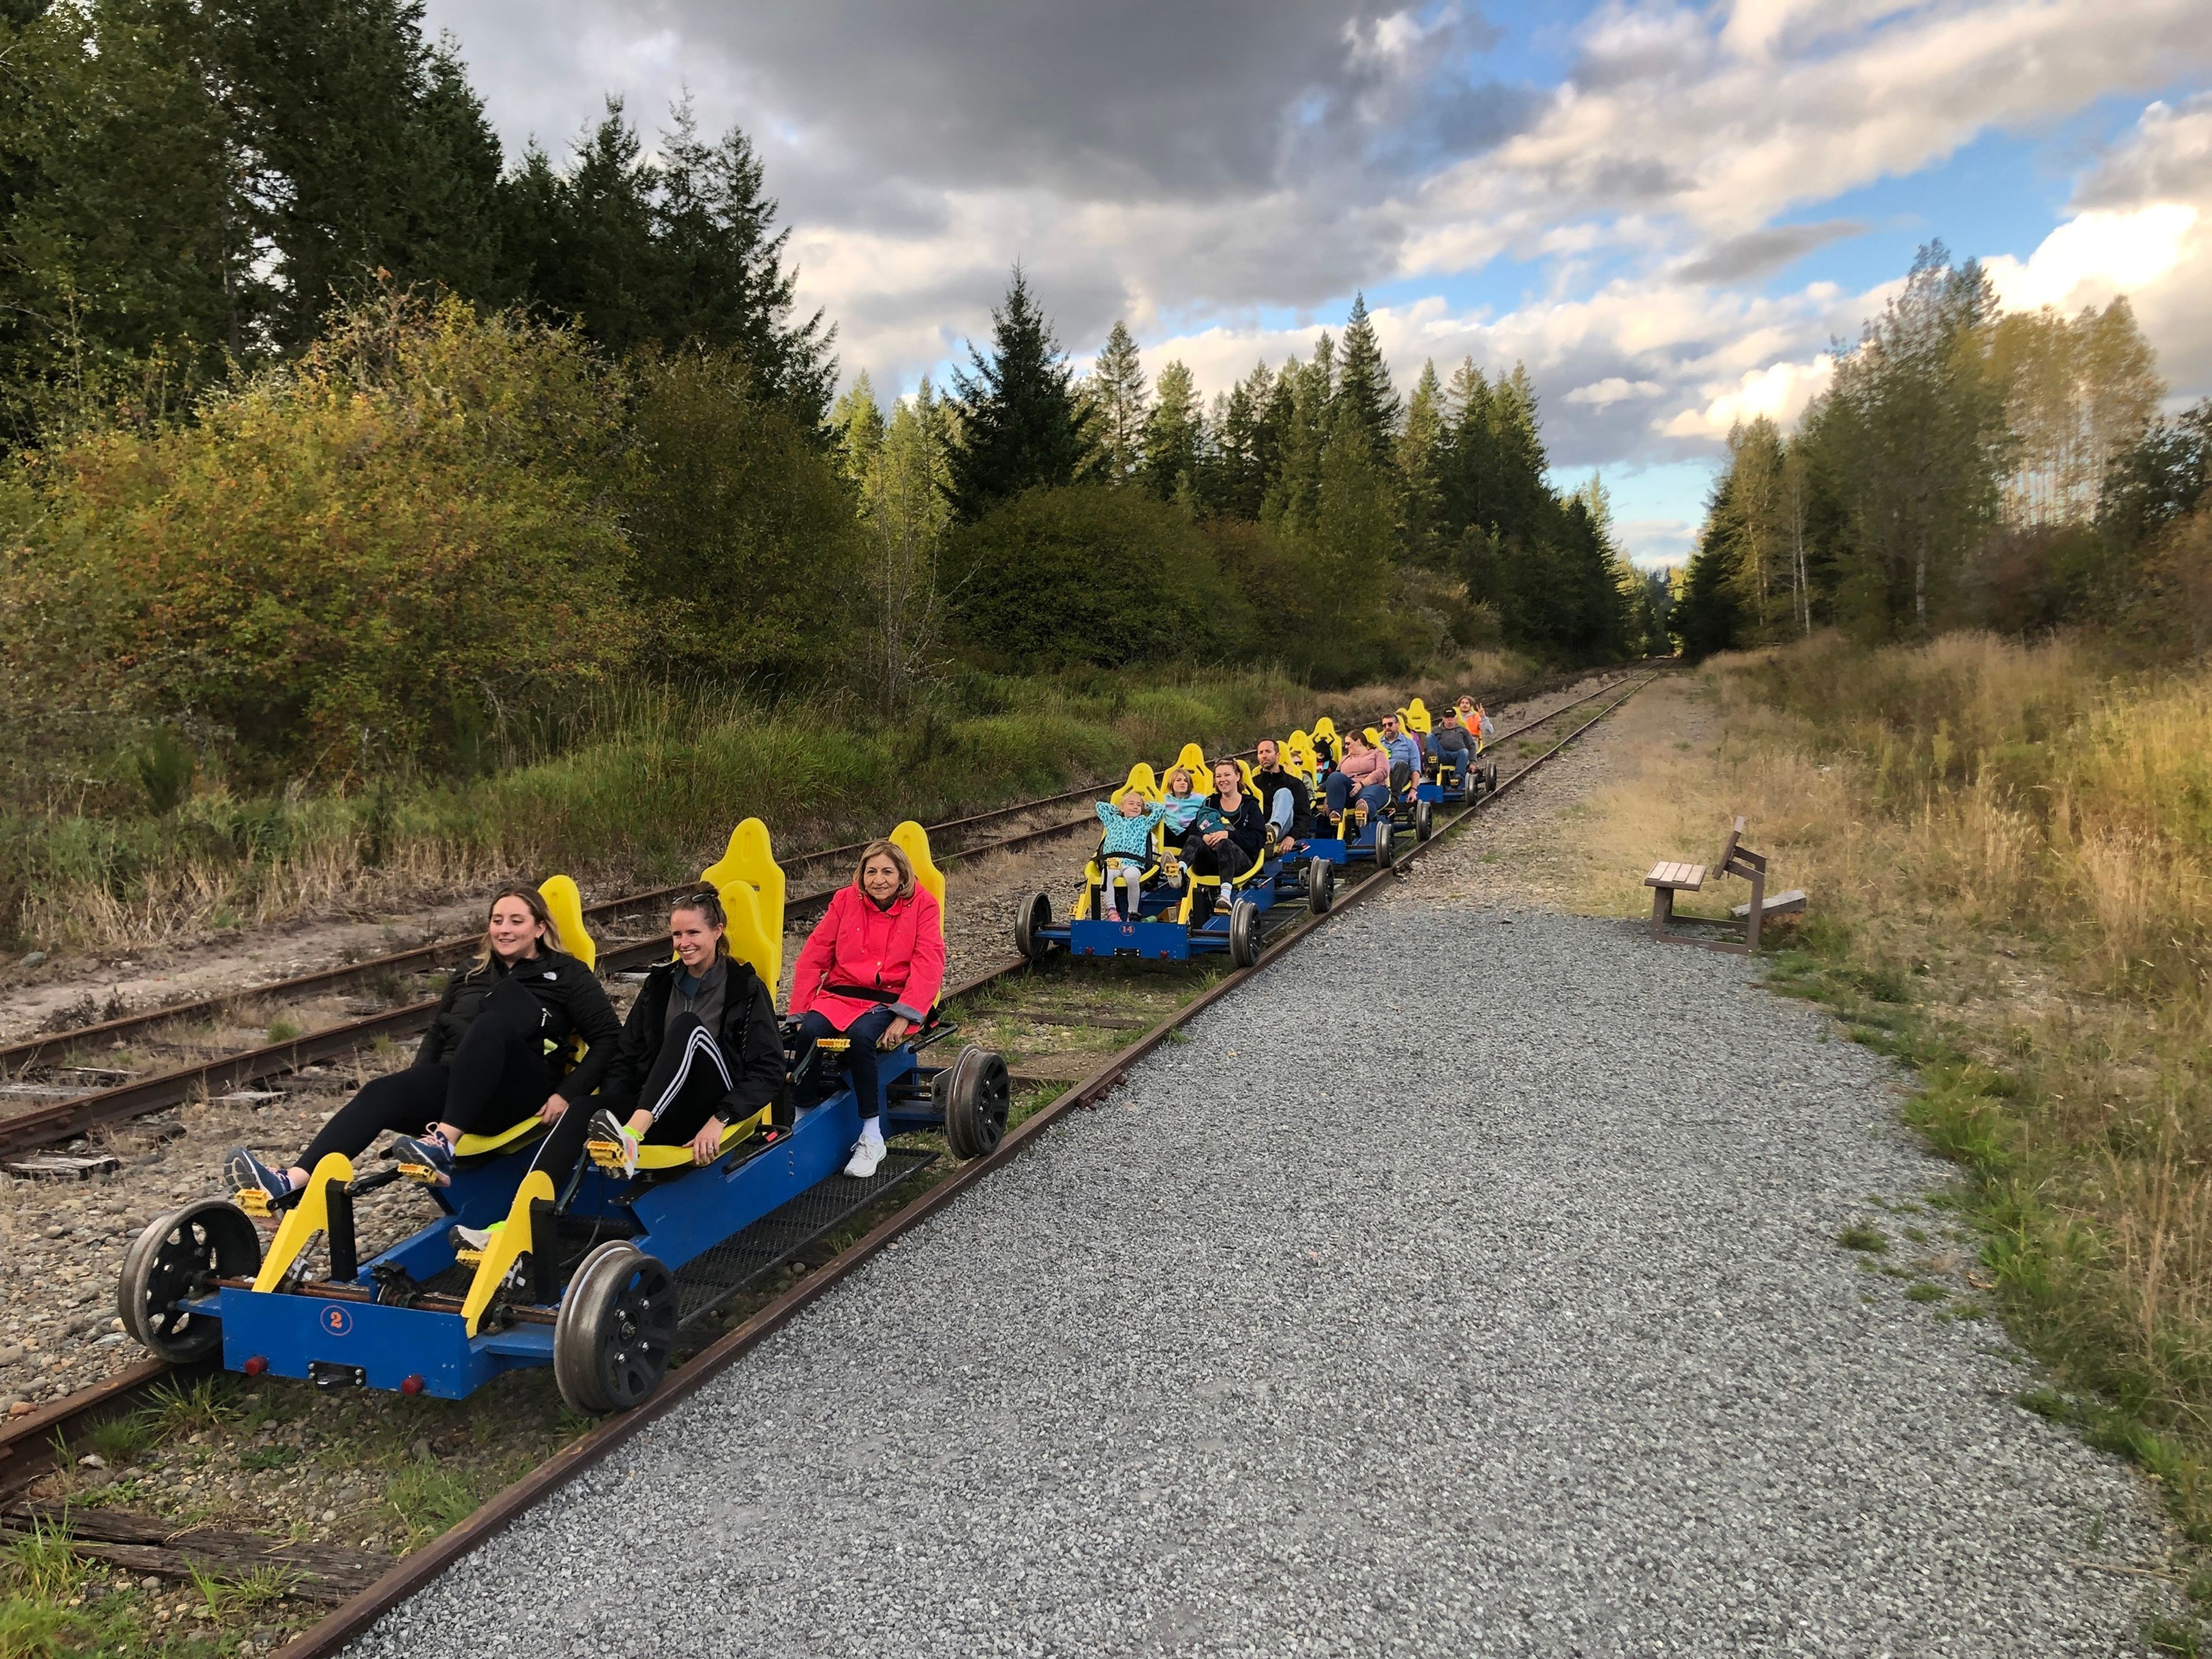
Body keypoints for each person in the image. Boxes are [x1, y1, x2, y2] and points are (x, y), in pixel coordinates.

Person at [226, 887, 619, 1201]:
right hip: (459, 1090)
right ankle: (290, 1182)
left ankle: (443, 1144)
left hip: (521, 1094)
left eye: (517, 921)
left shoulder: (567, 973)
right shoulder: (470, 973)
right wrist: (417, 1086)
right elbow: (437, 1033)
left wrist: (568, 1094)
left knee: (491, 1024)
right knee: (381, 1092)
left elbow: (608, 1038)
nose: (505, 929)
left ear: (538, 928)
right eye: (497, 921)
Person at [498, 892, 786, 1218]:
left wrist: (721, 1119)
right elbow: (627, 1053)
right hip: (659, 1111)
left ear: (717, 931)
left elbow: (769, 1069)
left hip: (707, 1109)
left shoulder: (743, 987)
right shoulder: (660, 984)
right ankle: (519, 1218)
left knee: (688, 1027)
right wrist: (610, 1105)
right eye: (677, 934)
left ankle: (632, 1135)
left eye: (693, 933)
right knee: (583, 1108)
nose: (683, 943)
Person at [788, 840, 946, 1178]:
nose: (879, 879)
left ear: (902, 875)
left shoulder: (923, 906)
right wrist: (800, 1011)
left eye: (887, 871)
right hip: (840, 995)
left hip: (887, 1000)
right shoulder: (845, 900)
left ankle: (872, 1135)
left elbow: (928, 962)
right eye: (871, 872)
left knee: (862, 1039)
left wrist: (905, 1016)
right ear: (862, 875)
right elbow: (816, 951)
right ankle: (802, 1119)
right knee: (810, 1034)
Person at [1184, 758, 1268, 901]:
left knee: (1225, 843)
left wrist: (1229, 835)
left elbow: (1258, 840)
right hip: (1209, 862)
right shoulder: (1210, 803)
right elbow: (1193, 829)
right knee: (1195, 839)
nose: (1222, 780)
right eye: (1218, 776)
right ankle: (1180, 871)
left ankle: (1225, 896)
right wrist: (1203, 836)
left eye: (1227, 775)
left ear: (1237, 776)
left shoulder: (1250, 806)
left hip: (1240, 863)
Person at [1093, 788, 1167, 921]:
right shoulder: (1113, 821)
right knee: (1107, 875)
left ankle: (1132, 913)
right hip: (1113, 861)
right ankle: (1112, 910)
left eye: (1139, 805)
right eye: (1131, 804)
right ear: (1122, 807)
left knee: (1132, 877)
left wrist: (1147, 805)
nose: (1135, 807)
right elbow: (1100, 806)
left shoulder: (1144, 822)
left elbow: (1160, 810)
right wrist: (1119, 809)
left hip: (1134, 863)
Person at [1249, 738, 1312, 851]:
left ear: (1278, 755)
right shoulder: (1252, 784)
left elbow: (1304, 816)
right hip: (1257, 832)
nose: (1264, 756)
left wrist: (1292, 837)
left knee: (1284, 793)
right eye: (1261, 753)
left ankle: (1273, 831)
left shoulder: (1294, 784)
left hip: (1283, 831)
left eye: (1268, 751)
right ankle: (1267, 835)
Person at [1322, 730, 1391, 830]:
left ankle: (1363, 811)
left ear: (1359, 742)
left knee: (1367, 795)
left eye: (1348, 743)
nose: (1346, 747)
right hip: (1350, 791)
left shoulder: (1376, 754)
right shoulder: (1345, 759)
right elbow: (1334, 781)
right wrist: (1328, 799)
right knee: (1335, 776)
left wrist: (1362, 784)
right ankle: (1336, 813)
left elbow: (1383, 771)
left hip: (1372, 786)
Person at [1158, 764, 1206, 849]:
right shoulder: (1163, 799)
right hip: (1169, 834)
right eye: (1178, 780)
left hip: (1189, 835)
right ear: (1172, 784)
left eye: (1186, 781)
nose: (1182, 783)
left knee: (1197, 822)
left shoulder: (1199, 799)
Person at [1377, 712, 1423, 796]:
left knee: (1401, 764)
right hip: (1382, 776)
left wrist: (1413, 790)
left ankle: (1394, 798)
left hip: (1401, 776)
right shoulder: (1377, 744)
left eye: (1390, 724)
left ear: (1398, 725)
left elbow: (1416, 769)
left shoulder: (1410, 743)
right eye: (1384, 726)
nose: (1387, 728)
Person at [1431, 707, 1476, 783]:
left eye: (1452, 717)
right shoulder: (1436, 731)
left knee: (1464, 752)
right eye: (1447, 717)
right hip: (1442, 756)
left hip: (1458, 756)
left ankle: (1458, 777)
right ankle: (1432, 770)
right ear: (1443, 719)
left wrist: (1473, 762)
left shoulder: (1463, 731)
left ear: (1456, 718)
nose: (1450, 719)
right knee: (1429, 738)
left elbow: (1471, 746)